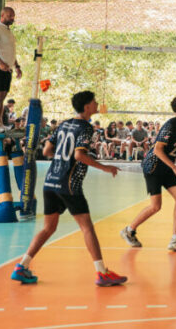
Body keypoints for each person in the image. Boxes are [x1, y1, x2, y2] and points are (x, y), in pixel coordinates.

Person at [10, 90, 127, 287]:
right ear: (88, 106)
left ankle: (22, 266)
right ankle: (102, 273)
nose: (97, 103)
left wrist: (62, 155)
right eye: (95, 101)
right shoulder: (87, 128)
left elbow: (47, 151)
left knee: (48, 228)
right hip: (69, 183)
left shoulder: (63, 124)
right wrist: (105, 167)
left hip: (51, 181)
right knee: (87, 227)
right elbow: (79, 155)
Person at [120, 95, 176, 252]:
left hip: (165, 166)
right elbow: (158, 150)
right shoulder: (170, 125)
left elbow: (174, 151)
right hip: (153, 167)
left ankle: (175, 239)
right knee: (155, 206)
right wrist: (175, 168)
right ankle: (128, 230)